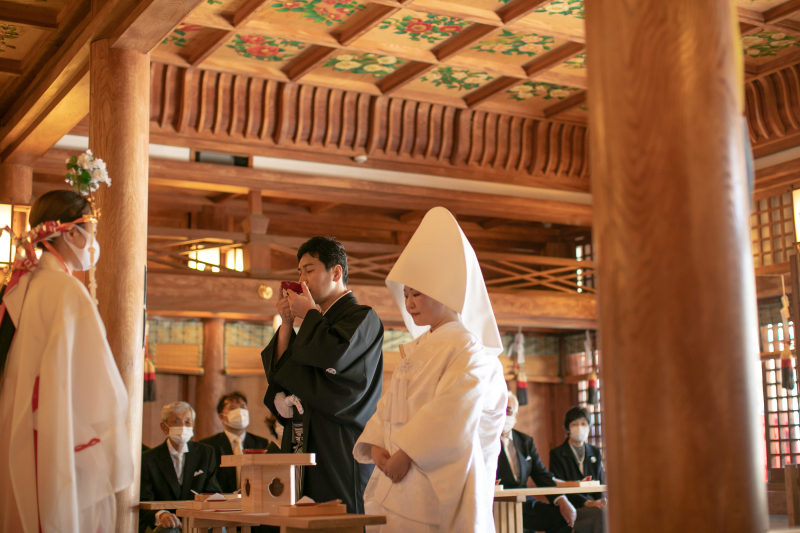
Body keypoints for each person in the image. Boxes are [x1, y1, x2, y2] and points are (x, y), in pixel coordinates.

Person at [353, 207, 507, 532]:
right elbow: (390, 405)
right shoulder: (419, 347)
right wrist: (379, 445)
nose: (408, 303)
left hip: (433, 479)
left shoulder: (468, 348)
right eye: (406, 294)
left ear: (443, 293)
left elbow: (452, 411)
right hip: (398, 473)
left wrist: (405, 454)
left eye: (417, 294)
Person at [0, 189, 133, 532]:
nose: (93, 241)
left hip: (17, 420)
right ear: (71, 232)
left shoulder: (20, 286)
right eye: (91, 228)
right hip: (55, 425)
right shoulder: (66, 290)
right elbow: (96, 385)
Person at [262, 236, 384, 513]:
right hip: (301, 434)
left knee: (337, 516)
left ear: (336, 272)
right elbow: (280, 373)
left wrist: (310, 317)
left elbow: (333, 356)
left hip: (339, 439)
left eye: (310, 269)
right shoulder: (314, 322)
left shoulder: (362, 317)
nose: (302, 279)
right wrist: (287, 324)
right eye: (299, 272)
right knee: (298, 516)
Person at [499, 394, 604, 533]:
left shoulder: (525, 441)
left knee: (562, 516)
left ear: (516, 415)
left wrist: (562, 500)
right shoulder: (484, 441)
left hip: (522, 502)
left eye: (508, 411)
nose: (503, 414)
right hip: (495, 501)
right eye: (500, 409)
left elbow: (542, 475)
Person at [139, 401, 222, 533]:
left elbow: (212, 490)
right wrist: (161, 515)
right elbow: (144, 499)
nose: (183, 426)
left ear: (193, 425)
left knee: (219, 529)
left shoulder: (206, 453)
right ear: (164, 427)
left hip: (198, 519)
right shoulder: (148, 459)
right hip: (166, 525)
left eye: (187, 422)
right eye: (177, 422)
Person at [200, 391, 275, 493]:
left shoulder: (261, 443)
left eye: (243, 407)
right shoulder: (209, 445)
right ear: (221, 417)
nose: (240, 412)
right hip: (221, 501)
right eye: (233, 408)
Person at [549, 406, 607, 512]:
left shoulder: (595, 451)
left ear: (589, 427)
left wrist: (602, 500)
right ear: (567, 428)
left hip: (595, 503)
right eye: (574, 424)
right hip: (572, 505)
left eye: (584, 424)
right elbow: (559, 486)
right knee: (600, 515)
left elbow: (599, 481)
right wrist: (586, 502)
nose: (580, 427)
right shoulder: (557, 454)